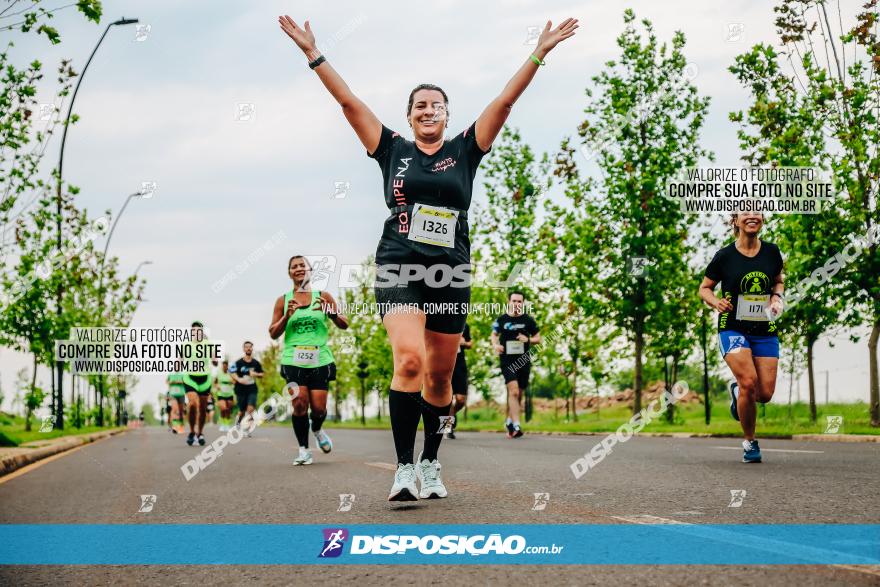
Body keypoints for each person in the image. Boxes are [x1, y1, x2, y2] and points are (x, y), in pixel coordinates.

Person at [278, 13, 577, 500]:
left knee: (440, 375)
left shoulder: (466, 149)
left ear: (447, 114)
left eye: (436, 105)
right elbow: (349, 102)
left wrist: (539, 53)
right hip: (399, 264)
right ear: (410, 113)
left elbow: (504, 101)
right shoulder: (390, 147)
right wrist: (314, 54)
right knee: (411, 361)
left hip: (450, 270)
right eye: (419, 105)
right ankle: (403, 469)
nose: (428, 111)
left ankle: (431, 464)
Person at [698, 212, 784, 463]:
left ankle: (739, 394)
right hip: (733, 327)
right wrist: (716, 302)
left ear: (762, 220)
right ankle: (750, 442)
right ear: (735, 221)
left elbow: (778, 281)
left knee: (764, 393)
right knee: (749, 381)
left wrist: (777, 297)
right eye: (746, 212)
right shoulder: (724, 256)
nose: (752, 216)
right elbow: (704, 288)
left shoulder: (772, 252)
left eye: (757, 211)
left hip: (764, 329)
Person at [269, 255, 349, 466]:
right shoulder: (283, 300)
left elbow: (344, 323)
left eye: (302, 265)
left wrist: (331, 313)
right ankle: (304, 450)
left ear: (309, 270)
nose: (298, 269)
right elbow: (273, 333)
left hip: (319, 358)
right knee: (299, 403)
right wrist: (286, 316)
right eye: (294, 267)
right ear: (289, 273)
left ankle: (317, 428)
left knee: (320, 409)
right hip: (293, 359)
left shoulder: (323, 296)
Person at [491, 291, 541, 438]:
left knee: (518, 394)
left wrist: (528, 340)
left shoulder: (528, 320)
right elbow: (494, 335)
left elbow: (539, 338)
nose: (517, 304)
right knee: (513, 391)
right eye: (514, 301)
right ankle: (517, 425)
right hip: (507, 360)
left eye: (520, 302)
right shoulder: (501, 319)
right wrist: (495, 345)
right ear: (509, 302)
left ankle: (509, 421)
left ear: (523, 303)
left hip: (524, 360)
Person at [182, 321, 215, 446]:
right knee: (192, 404)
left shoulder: (208, 344)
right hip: (190, 377)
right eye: (194, 331)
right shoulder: (186, 344)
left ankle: (199, 433)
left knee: (202, 408)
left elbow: (215, 360)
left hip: (205, 378)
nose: (196, 332)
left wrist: (214, 359)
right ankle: (191, 432)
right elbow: (179, 359)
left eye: (199, 330)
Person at [230, 341, 264, 436]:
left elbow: (262, 374)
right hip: (240, 389)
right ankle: (238, 422)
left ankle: (247, 429)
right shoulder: (238, 362)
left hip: (252, 388)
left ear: (252, 349)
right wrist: (239, 379)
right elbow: (232, 372)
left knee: (250, 409)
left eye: (250, 347)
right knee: (242, 411)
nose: (248, 348)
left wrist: (255, 374)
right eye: (246, 347)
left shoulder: (256, 363)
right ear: (244, 349)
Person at [447, 322, 472, 439]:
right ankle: (447, 428)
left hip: (459, 365)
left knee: (461, 399)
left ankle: (452, 415)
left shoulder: (464, 325)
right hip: (443, 363)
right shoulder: (439, 321)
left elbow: (470, 343)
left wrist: (465, 343)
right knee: (446, 398)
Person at [214, 360, 236, 431]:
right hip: (221, 393)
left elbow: (235, 381)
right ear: (222, 366)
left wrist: (232, 381)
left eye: (226, 366)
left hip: (229, 393)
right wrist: (217, 386)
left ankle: (227, 424)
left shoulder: (231, 373)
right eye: (223, 366)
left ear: (227, 366)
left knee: (228, 409)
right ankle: (223, 424)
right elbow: (215, 382)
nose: (224, 367)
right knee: (223, 408)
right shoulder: (219, 373)